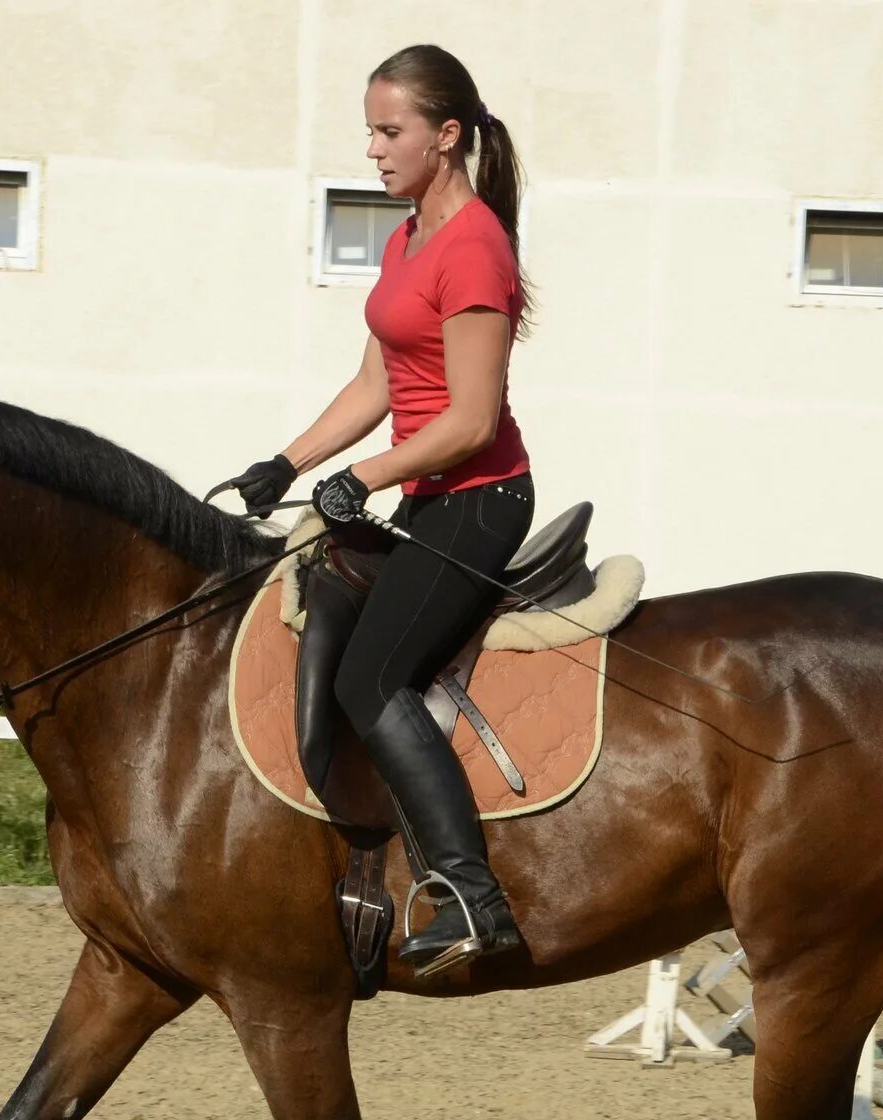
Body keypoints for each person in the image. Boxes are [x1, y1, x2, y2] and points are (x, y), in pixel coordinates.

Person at [222, 44, 537, 976]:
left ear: (446, 136)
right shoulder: (406, 238)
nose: (372, 148)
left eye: (388, 130)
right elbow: (378, 381)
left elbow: (472, 421)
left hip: (480, 502)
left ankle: (472, 898)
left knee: (372, 681)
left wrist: (364, 477)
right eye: (369, 129)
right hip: (428, 492)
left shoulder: (476, 245)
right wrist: (284, 462)